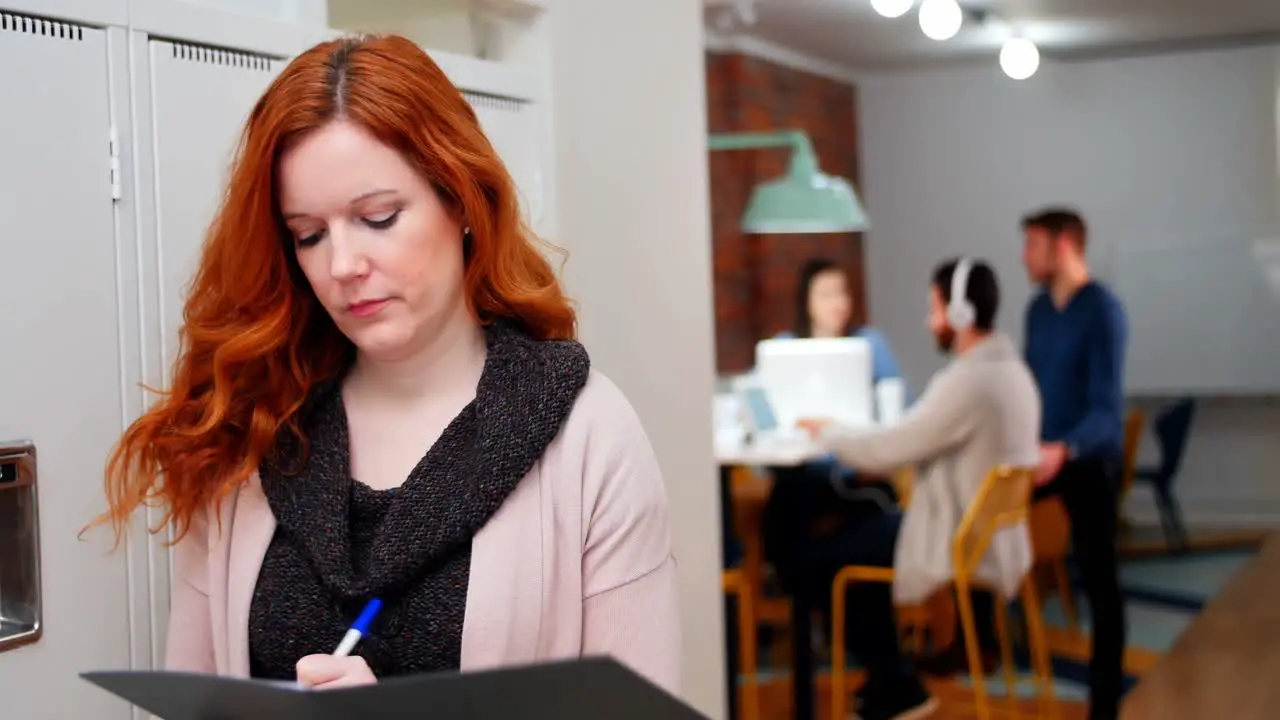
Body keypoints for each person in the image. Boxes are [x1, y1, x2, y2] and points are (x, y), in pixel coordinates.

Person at [90, 34, 679, 693]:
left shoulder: (588, 436)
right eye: (309, 235)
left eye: (378, 217)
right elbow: (197, 698)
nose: (342, 265)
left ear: (459, 200)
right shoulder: (255, 424)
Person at [792, 258, 1040, 720]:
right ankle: (889, 680)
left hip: (957, 539)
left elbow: (896, 446)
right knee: (863, 532)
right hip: (990, 537)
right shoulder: (1013, 372)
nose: (929, 321)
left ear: (961, 314)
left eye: (934, 309)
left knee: (815, 557)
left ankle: (895, 684)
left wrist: (827, 434)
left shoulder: (968, 380)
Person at [1021, 208, 1128, 720]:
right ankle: (972, 646)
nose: (1025, 256)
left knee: (1100, 582)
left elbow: (1106, 409)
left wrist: (1066, 449)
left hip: (1088, 460)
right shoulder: (1038, 310)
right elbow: (1028, 389)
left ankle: (1103, 704)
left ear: (1064, 245)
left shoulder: (1102, 310)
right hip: (1040, 457)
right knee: (975, 512)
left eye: (1033, 245)